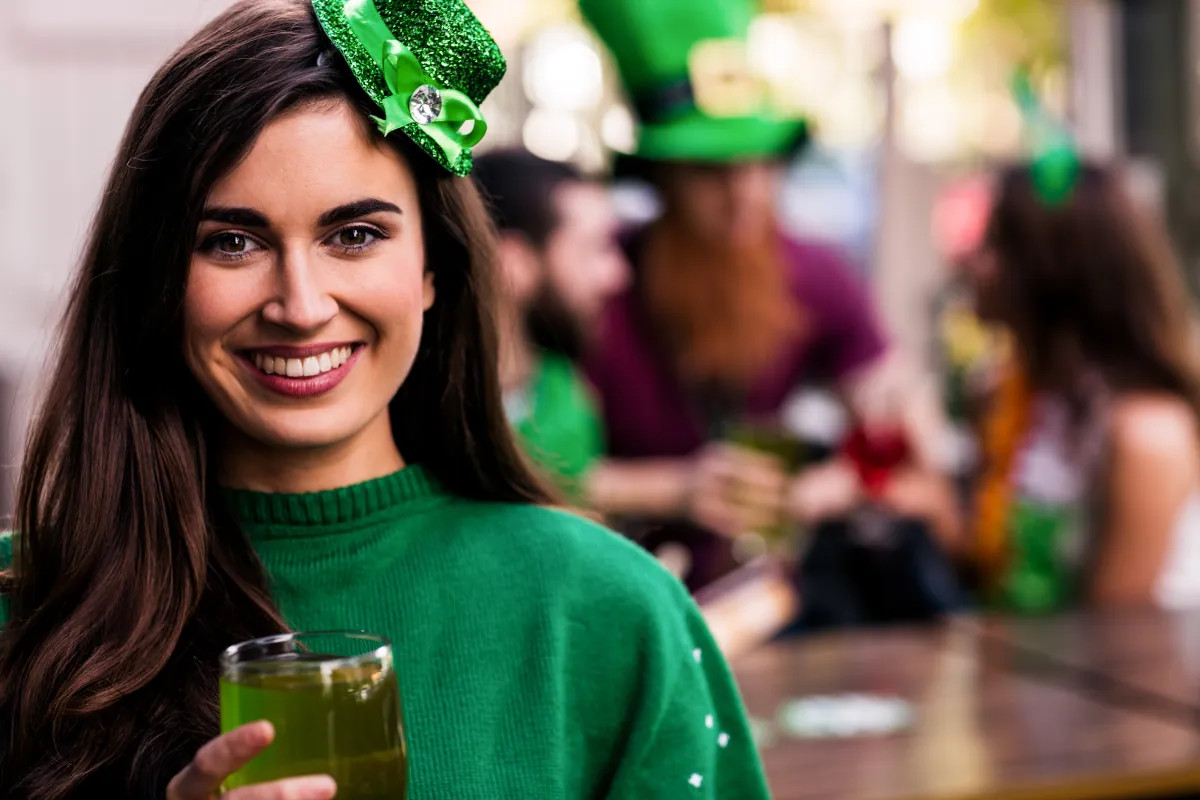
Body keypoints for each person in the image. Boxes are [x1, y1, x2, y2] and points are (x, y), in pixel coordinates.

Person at [0, 1, 770, 796]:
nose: (300, 306)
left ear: (435, 269)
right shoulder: (30, 612)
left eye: (355, 235)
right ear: (156, 280)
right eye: (232, 242)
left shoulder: (609, 612)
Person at [578, 0, 960, 589]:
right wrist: (674, 487)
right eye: (711, 170)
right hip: (622, 590)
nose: (745, 194)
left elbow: (909, 433)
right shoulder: (599, 278)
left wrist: (816, 491)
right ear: (661, 177)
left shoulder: (810, 272)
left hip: (766, 596)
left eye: (762, 163)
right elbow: (523, 470)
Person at [970, 162, 1200, 611]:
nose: (974, 263)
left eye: (995, 243)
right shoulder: (1027, 401)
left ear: (1054, 267)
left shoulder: (1145, 432)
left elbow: (1112, 643)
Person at [472, 150, 628, 499]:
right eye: (594, 248)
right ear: (510, 263)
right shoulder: (427, 414)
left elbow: (574, 482)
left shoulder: (562, 389)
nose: (616, 275)